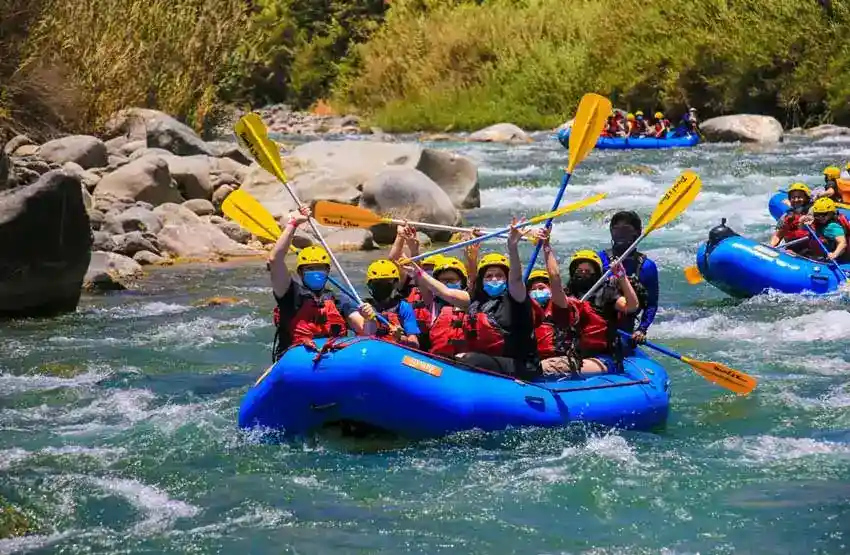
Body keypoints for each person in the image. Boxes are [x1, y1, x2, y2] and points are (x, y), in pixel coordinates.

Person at [268, 207, 365, 361]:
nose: (316, 272)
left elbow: (364, 330)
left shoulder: (339, 300)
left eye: (320, 268)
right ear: (300, 273)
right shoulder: (290, 295)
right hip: (297, 363)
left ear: (327, 272)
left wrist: (369, 318)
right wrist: (293, 224)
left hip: (334, 360)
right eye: (310, 269)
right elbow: (275, 260)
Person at [563, 250, 640, 372]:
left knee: (564, 367)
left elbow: (632, 306)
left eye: (588, 271)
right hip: (573, 351)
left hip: (602, 355)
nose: (583, 274)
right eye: (579, 271)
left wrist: (622, 277)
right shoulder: (567, 294)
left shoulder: (607, 293)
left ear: (596, 274)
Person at [597, 211, 657, 345]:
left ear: (637, 233)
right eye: (616, 229)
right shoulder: (599, 259)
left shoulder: (646, 266)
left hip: (625, 328)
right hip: (598, 324)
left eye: (626, 229)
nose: (620, 234)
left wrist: (642, 329)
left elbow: (651, 304)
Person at [388, 223, 442, 349]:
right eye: (425, 268)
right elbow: (393, 261)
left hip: (432, 345)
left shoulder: (442, 293)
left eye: (431, 269)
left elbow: (422, 278)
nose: (428, 272)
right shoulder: (407, 285)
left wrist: (414, 251)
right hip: (409, 340)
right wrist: (400, 236)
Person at [408, 256, 471, 357]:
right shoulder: (431, 301)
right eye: (443, 281)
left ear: (462, 282)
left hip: (462, 361)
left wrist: (472, 261)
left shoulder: (467, 301)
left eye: (451, 280)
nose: (446, 284)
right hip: (437, 360)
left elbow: (447, 292)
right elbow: (423, 282)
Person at [350, 259, 420, 347]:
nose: (382, 286)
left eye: (387, 282)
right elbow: (365, 333)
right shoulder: (361, 307)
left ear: (395, 283)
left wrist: (401, 338)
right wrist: (368, 319)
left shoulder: (403, 307)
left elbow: (415, 344)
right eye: (377, 283)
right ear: (369, 284)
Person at [769, 183, 812, 253]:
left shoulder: (814, 212)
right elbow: (778, 235)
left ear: (806, 198)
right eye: (793, 197)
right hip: (793, 252)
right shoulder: (788, 216)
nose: (796, 200)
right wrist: (770, 248)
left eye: (799, 197)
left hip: (812, 253)